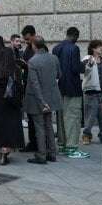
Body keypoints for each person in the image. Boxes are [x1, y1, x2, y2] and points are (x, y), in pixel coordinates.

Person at [24, 36, 62, 164]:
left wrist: (42, 102)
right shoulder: (54, 58)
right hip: (51, 97)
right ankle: (52, 153)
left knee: (39, 127)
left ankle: (41, 155)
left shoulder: (33, 61)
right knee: (49, 126)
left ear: (34, 45)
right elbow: (59, 75)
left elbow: (34, 84)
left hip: (38, 100)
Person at [53, 27, 88, 158]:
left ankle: (62, 145)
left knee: (61, 118)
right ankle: (72, 148)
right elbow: (75, 68)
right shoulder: (74, 48)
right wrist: (84, 65)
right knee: (73, 118)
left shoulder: (56, 48)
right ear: (75, 36)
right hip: (73, 89)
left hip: (60, 88)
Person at [0, 43, 25, 165]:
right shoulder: (15, 70)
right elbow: (19, 87)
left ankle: (1, 150)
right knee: (10, 127)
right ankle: (5, 150)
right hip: (11, 102)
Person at [82, 40, 102, 146]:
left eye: (101, 47)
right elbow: (84, 72)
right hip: (91, 90)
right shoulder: (87, 58)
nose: (101, 48)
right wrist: (90, 64)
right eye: (99, 47)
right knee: (90, 115)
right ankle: (86, 135)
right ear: (93, 49)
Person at [20, 25, 38, 153]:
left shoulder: (38, 48)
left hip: (34, 86)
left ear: (33, 35)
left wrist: (26, 65)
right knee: (30, 116)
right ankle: (33, 142)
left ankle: (36, 143)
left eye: (27, 39)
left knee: (35, 117)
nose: (26, 41)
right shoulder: (28, 48)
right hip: (27, 84)